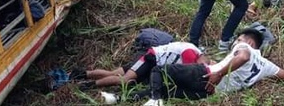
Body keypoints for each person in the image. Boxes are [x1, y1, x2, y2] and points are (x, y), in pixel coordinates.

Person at [123, 28, 284, 106]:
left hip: (206, 75)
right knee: (166, 92)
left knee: (159, 70)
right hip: (209, 91)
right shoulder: (266, 66)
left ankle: (154, 100)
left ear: (249, 41)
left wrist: (219, 73)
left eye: (239, 39)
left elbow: (243, 56)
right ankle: (120, 99)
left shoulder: (245, 47)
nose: (236, 42)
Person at [72, 41, 207, 88]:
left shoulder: (194, 50)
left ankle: (83, 74)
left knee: (114, 73)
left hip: (152, 58)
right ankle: (88, 85)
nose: (202, 67)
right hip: (150, 59)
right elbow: (188, 74)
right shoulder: (190, 54)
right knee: (125, 80)